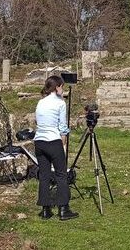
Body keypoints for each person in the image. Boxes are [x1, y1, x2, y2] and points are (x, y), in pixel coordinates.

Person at [34, 75, 79, 220]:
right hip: (53, 140)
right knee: (61, 174)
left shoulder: (40, 102)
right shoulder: (60, 103)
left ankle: (45, 209)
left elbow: (37, 120)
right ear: (57, 87)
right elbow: (62, 124)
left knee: (44, 175)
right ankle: (64, 208)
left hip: (39, 141)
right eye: (62, 87)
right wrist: (64, 135)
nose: (63, 90)